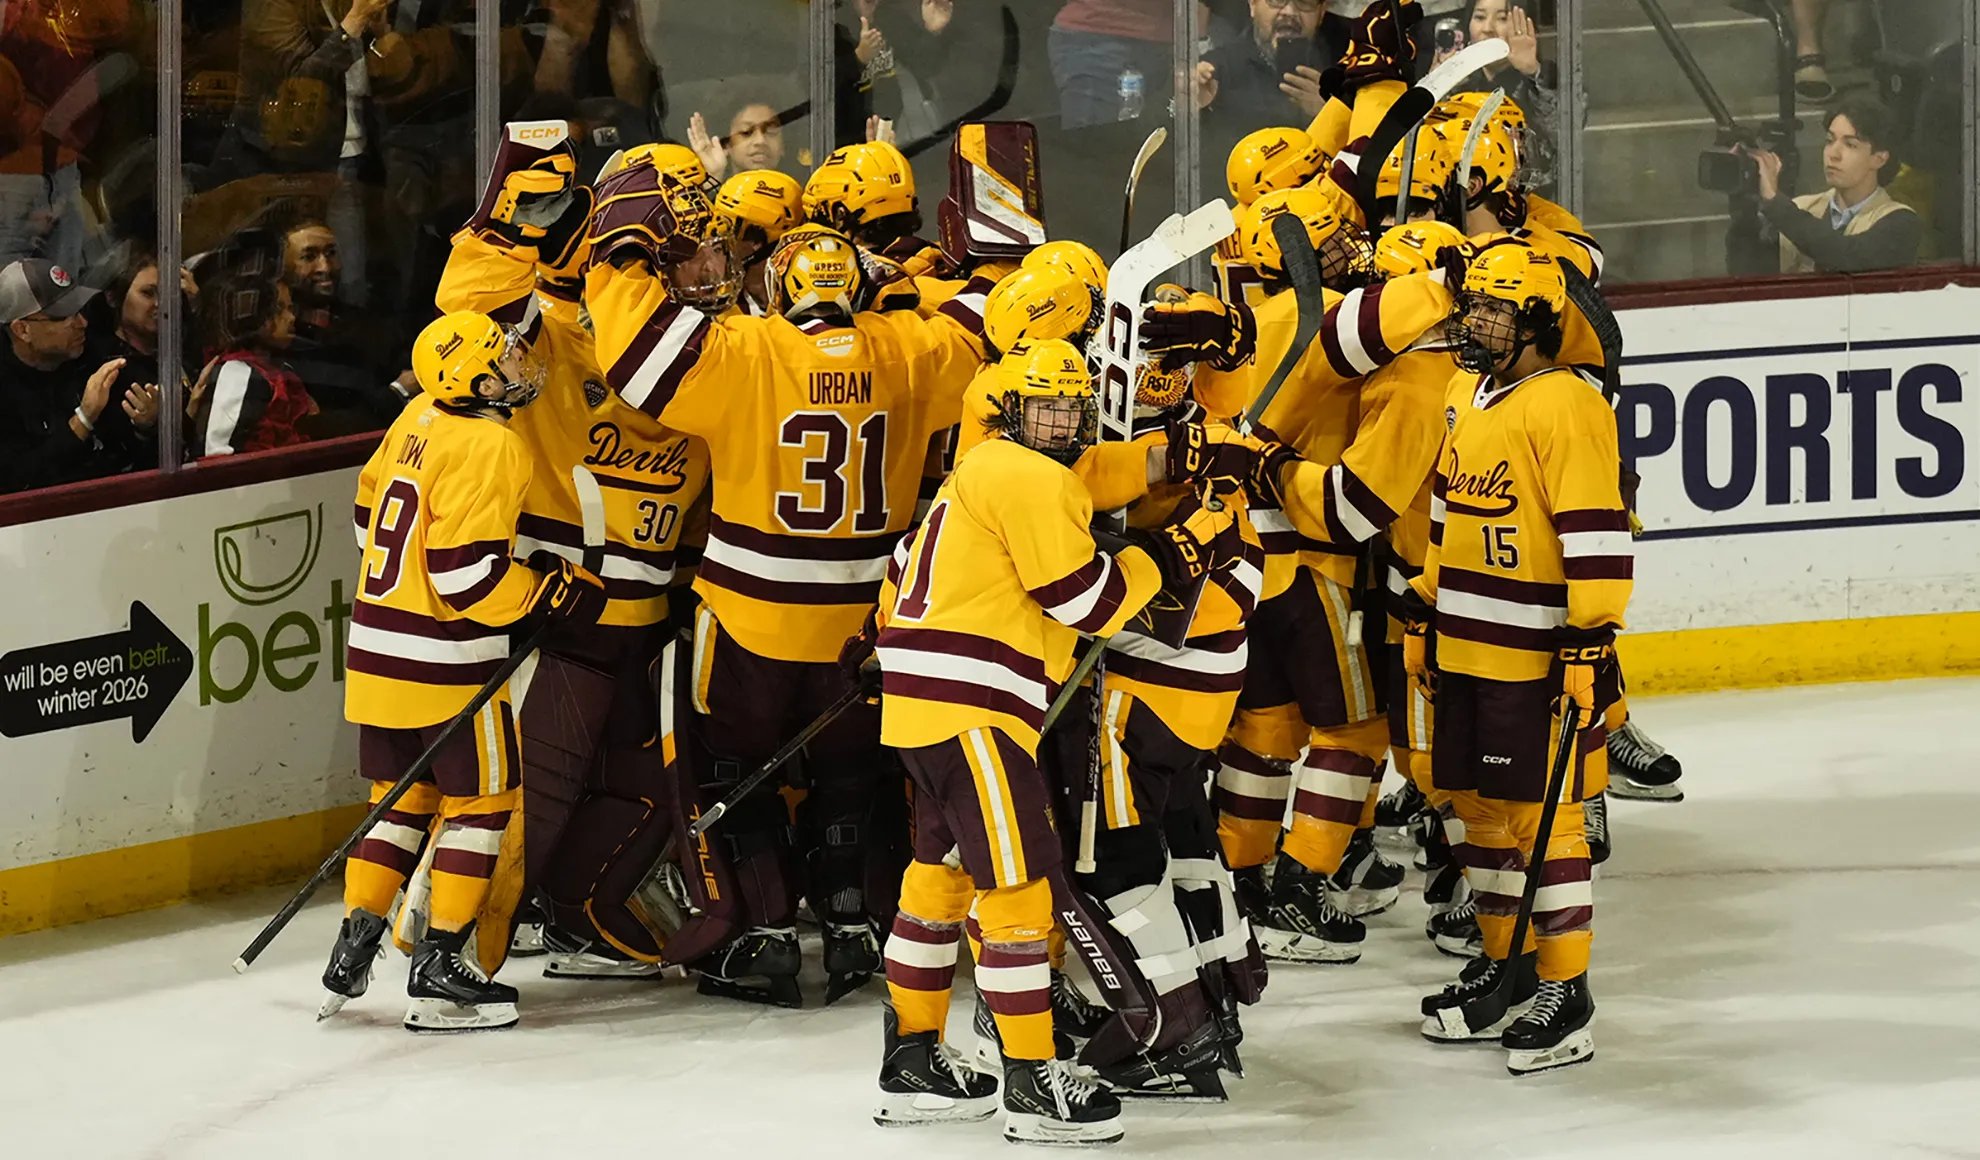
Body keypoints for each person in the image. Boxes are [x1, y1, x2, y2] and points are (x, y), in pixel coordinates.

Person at [582, 165, 995, 1006]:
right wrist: (928, 282)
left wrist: (616, 257)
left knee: (737, 775)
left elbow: (635, 354)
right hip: (866, 627)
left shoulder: (746, 349)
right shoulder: (912, 352)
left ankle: (764, 937)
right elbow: (993, 312)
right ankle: (850, 927)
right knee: (849, 779)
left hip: (750, 621)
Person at [870, 338, 1238, 1145]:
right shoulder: (1032, 477)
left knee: (939, 880)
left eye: (1070, 408)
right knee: (1019, 893)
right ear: (1014, 411)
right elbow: (1087, 600)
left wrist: (1154, 471)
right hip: (975, 713)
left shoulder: (977, 471)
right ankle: (1032, 1083)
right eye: (1045, 406)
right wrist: (1165, 558)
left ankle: (914, 1058)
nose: (1060, 420)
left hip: (924, 707)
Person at [433, 121, 713, 980]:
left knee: (641, 789)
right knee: (523, 801)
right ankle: (450, 951)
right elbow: (466, 301)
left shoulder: (712, 345)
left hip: (660, 617)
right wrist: (512, 211)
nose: (689, 265)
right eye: (669, 245)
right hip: (567, 617)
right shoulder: (548, 331)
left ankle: (580, 914)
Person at [319, 309, 607, 1031]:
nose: (517, 365)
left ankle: (354, 945)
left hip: (377, 648)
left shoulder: (416, 415)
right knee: (482, 804)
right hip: (444, 660)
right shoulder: (492, 444)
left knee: (398, 799)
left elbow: (363, 521)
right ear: (474, 373)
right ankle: (441, 963)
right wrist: (546, 591)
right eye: (504, 356)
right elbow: (467, 579)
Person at [1408, 240, 1627, 1076]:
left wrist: (1590, 635)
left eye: (1496, 310)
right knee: (1471, 804)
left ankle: (1566, 992)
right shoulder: (1468, 389)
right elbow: (1446, 508)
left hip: (1536, 650)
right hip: (1465, 639)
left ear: (1536, 322)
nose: (1477, 322)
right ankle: (1510, 964)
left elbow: (1596, 530)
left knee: (1544, 816)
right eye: (1476, 306)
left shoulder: (1568, 404)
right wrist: (1427, 601)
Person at [0, 258, 160, 493]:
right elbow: (18, 481)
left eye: (80, 311)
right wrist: (83, 419)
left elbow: (131, 457)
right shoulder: (6, 389)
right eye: (64, 317)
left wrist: (146, 425)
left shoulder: (96, 358)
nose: (82, 323)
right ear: (22, 330)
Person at [1752, 99, 1922, 275]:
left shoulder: (1901, 222)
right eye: (1829, 141)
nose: (1833, 154)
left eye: (1850, 145)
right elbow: (1751, 272)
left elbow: (1847, 256)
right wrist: (1744, 202)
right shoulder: (1801, 207)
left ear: (1879, 159)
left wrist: (1774, 201)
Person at [279, 217, 411, 429]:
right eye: (308, 257)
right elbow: (317, 428)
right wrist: (395, 393)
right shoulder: (280, 344)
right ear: (282, 269)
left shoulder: (370, 324)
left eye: (331, 253)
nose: (325, 267)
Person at [1431, 0, 1558, 190]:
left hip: (1530, 203)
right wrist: (1437, 86)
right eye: (1480, 17)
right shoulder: (1457, 82)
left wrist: (1532, 72)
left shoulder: (1547, 78)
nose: (1488, 29)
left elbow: (1564, 133)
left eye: (1502, 18)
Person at [192, 273, 315, 456]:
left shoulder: (279, 370)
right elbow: (217, 456)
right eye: (278, 310)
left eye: (290, 308)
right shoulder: (236, 374)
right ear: (252, 318)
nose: (291, 318)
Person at [1195, 0, 1337, 143]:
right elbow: (1179, 142)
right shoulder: (1216, 69)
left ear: (1322, 12)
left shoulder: (1344, 71)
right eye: (1277, 0)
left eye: (1305, 2)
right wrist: (1189, 104)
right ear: (1253, 4)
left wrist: (1330, 114)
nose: (1289, 12)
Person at [688, 100, 788, 183]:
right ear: (726, 144)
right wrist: (714, 178)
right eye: (746, 132)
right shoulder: (710, 195)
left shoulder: (799, 200)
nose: (760, 141)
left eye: (771, 132)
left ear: (783, 145)